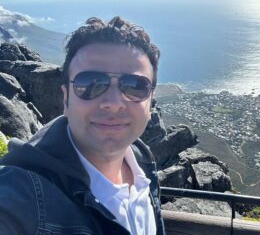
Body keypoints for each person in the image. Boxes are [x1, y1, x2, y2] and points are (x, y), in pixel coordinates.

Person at [0, 17, 165, 234]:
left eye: (135, 86)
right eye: (90, 84)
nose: (113, 104)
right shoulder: (22, 193)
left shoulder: (142, 163)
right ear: (65, 99)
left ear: (151, 100)